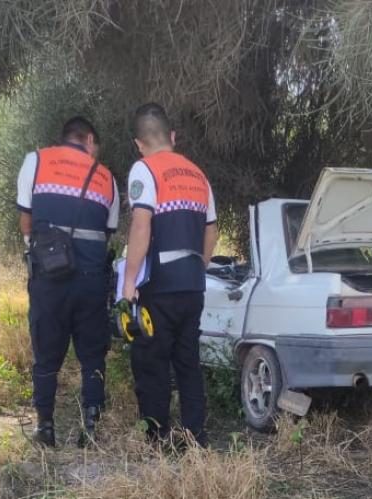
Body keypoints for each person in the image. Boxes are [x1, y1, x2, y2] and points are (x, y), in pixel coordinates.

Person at [16, 117, 119, 448]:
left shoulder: (37, 160)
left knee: (45, 354)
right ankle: (90, 429)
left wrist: (43, 250)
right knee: (92, 355)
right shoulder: (108, 179)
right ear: (89, 139)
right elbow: (107, 232)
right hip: (91, 280)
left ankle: (45, 427)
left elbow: (26, 218)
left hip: (49, 276)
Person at [121, 103, 218, 447]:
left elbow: (142, 224)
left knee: (152, 362)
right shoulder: (198, 175)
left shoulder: (144, 169)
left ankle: (156, 437)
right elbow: (212, 230)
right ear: (172, 137)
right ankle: (196, 438)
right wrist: (200, 267)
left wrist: (129, 281)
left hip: (158, 285)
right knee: (188, 363)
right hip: (192, 285)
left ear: (139, 143)